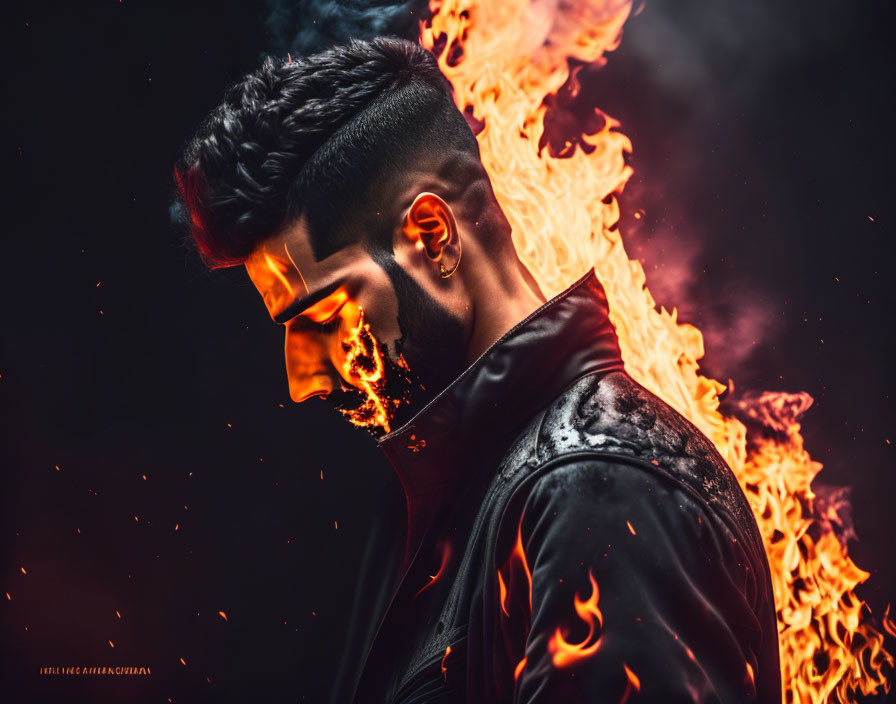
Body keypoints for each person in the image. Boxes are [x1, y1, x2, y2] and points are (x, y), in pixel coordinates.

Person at [173, 36, 781, 703]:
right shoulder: (489, 499)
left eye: (323, 315)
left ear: (433, 237)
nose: (304, 379)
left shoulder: (596, 490)